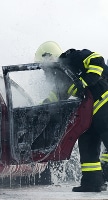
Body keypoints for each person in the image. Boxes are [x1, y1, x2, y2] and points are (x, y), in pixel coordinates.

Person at [35, 41, 108, 192]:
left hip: (104, 103)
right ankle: (92, 183)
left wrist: (84, 81)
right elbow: (58, 94)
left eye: (44, 65)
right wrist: (41, 107)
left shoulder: (72, 57)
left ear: (49, 57)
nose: (44, 70)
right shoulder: (62, 75)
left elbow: (97, 59)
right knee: (87, 143)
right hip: (90, 112)